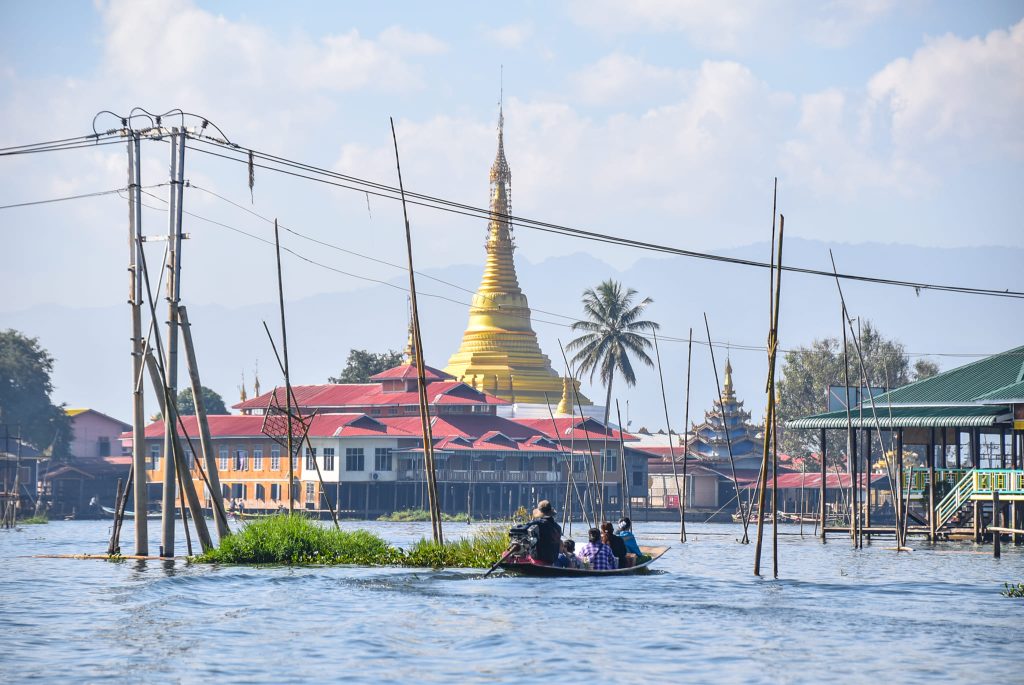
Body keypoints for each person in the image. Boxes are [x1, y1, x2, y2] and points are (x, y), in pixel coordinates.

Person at [527, 499, 562, 564]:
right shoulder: (558, 527)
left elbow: (525, 527)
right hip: (552, 559)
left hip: (540, 557)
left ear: (540, 513)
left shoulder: (539, 523)